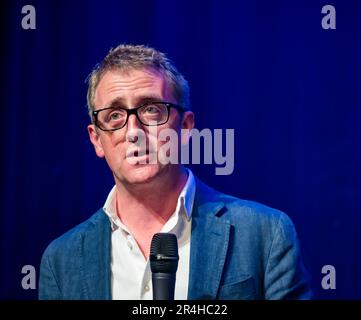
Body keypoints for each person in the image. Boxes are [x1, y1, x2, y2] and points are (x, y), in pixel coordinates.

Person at [39, 44, 312, 300]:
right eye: (114, 115)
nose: (133, 132)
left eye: (151, 110)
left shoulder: (265, 234)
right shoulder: (62, 260)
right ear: (97, 139)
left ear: (185, 127)